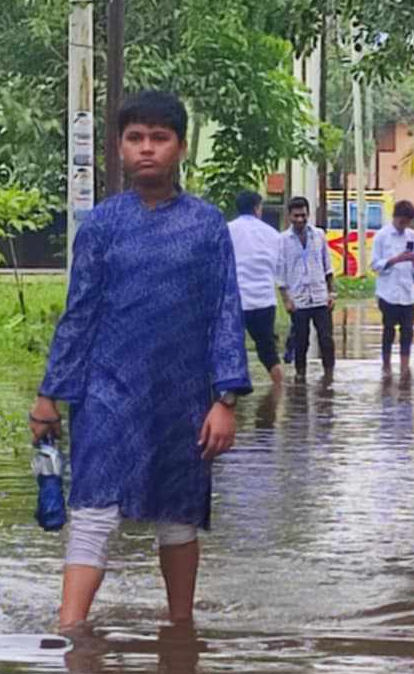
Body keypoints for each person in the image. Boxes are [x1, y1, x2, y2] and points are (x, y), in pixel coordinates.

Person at [30, 89, 251, 630]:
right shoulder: (102, 226)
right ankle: (68, 631)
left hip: (184, 395)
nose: (146, 149)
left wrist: (224, 400)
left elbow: (226, 311)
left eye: (159, 138)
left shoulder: (206, 225)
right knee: (93, 510)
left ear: (179, 148)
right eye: (135, 139)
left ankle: (181, 630)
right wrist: (48, 396)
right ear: (120, 148)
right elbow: (79, 313)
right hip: (107, 389)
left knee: (177, 518)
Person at [227, 189, 285, 387]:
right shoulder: (273, 235)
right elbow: (280, 270)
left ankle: (230, 396)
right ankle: (280, 393)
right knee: (269, 352)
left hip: (236, 302)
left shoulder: (227, 230)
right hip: (264, 301)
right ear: (257, 208)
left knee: (231, 349)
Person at [278, 195, 336, 382]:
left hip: (320, 297)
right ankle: (300, 375)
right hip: (298, 300)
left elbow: (328, 267)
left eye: (303, 215)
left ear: (308, 214)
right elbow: (280, 274)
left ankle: (329, 376)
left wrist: (331, 293)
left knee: (326, 340)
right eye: (296, 216)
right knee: (301, 341)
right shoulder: (283, 240)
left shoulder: (318, 235)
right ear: (289, 216)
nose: (300, 220)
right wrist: (286, 300)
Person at [371, 199, 414, 370]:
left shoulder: (412, 236)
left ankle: (405, 366)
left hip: (407, 293)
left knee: (407, 331)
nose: (404, 225)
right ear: (396, 217)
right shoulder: (382, 236)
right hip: (388, 292)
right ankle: (386, 366)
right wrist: (395, 260)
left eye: (408, 222)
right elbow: (375, 264)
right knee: (389, 330)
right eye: (402, 221)